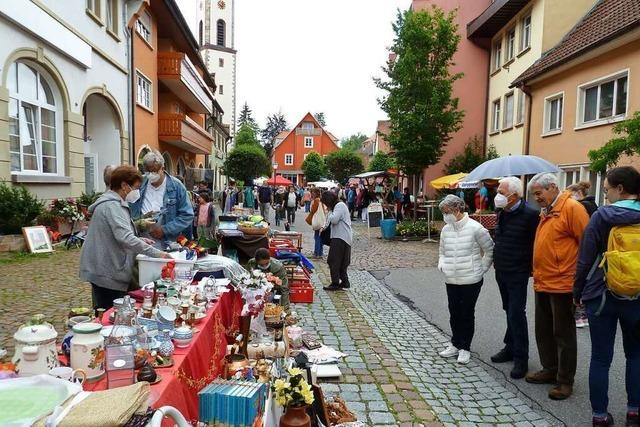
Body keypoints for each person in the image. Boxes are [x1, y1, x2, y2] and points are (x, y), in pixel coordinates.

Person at [573, 167, 640, 427]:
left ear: (620, 188)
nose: (606, 194)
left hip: (601, 294)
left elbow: (585, 257)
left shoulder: (603, 215)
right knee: (636, 354)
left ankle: (600, 416)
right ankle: (634, 411)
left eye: (607, 189)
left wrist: (577, 291)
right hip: (637, 295)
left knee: (601, 357)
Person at [526, 172, 589, 400]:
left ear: (552, 187)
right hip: (543, 280)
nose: (536, 198)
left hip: (563, 283)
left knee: (563, 334)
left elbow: (587, 243)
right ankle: (550, 369)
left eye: (538, 193)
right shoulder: (548, 210)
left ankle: (564, 380)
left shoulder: (571, 208)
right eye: (534, 195)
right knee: (543, 330)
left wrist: (579, 280)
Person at [80, 165, 170, 311]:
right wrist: (158, 254)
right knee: (110, 313)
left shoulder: (115, 204)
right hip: (106, 271)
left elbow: (118, 233)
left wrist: (140, 240)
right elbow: (125, 237)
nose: (137, 192)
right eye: (135, 187)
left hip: (107, 268)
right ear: (124, 186)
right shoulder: (112, 206)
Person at [491, 177, 540, 379]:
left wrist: (529, 267)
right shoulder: (502, 211)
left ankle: (521, 358)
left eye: (502, 192)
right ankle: (510, 347)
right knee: (508, 309)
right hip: (502, 268)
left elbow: (535, 243)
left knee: (516, 313)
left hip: (518, 270)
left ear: (514, 195)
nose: (498, 196)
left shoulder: (530, 214)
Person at [437, 195, 494, 365]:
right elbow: (442, 251)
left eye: (447, 212)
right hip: (451, 278)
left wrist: (481, 269)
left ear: (457, 209)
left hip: (470, 280)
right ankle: (455, 343)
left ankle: (465, 347)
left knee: (466, 314)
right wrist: (442, 263)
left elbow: (489, 250)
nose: (445, 216)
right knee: (454, 312)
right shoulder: (446, 229)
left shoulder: (476, 228)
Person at [130, 152, 194, 245]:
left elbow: (187, 215)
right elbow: (130, 207)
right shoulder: (139, 183)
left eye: (154, 171)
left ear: (162, 169)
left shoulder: (177, 186)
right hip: (142, 240)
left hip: (167, 240)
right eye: (147, 171)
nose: (151, 175)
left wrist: (164, 230)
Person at [567, 181, 598, 329]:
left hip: (583, 248)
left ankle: (579, 315)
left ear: (577, 194)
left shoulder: (581, 207)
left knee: (579, 281)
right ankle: (585, 314)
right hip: (593, 249)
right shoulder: (593, 205)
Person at [321, 191, 353, 291]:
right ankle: (344, 281)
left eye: (326, 203)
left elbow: (334, 220)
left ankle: (335, 283)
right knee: (341, 261)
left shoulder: (339, 206)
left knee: (333, 260)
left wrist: (329, 211)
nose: (326, 206)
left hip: (340, 237)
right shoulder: (340, 205)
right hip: (343, 237)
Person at [305, 187, 324, 257]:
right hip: (322, 221)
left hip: (318, 221)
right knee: (320, 237)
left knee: (317, 237)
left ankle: (317, 253)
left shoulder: (316, 200)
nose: (311, 194)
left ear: (315, 193)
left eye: (312, 192)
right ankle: (320, 253)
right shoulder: (321, 200)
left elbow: (313, 210)